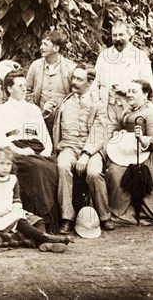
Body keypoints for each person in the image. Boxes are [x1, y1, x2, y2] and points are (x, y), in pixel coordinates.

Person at [105, 79, 153, 225]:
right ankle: (117, 209)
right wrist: (119, 133)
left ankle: (136, 212)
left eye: (134, 92)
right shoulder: (129, 110)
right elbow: (121, 128)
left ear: (145, 94)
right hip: (129, 151)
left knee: (117, 173)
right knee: (112, 171)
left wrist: (142, 139)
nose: (129, 94)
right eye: (128, 91)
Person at [0, 69, 60, 231]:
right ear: (9, 89)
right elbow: (0, 139)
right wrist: (18, 150)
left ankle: (50, 220)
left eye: (25, 85)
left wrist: (47, 150)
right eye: (20, 85)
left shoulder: (33, 109)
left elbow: (45, 137)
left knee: (50, 166)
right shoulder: (1, 110)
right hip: (15, 149)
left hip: (37, 149)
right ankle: (40, 222)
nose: (24, 88)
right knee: (36, 167)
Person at [52, 64, 115, 234]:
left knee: (94, 172)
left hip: (91, 149)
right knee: (63, 166)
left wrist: (86, 154)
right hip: (69, 146)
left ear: (90, 82)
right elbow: (55, 126)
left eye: (79, 79)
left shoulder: (98, 104)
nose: (74, 82)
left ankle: (104, 216)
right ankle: (67, 217)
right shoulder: (65, 102)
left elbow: (99, 131)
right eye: (73, 78)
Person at [0, 148, 70, 252]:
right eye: (1, 163)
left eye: (8, 164)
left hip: (9, 212)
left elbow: (16, 199)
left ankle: (45, 243)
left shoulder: (13, 179)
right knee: (20, 222)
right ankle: (47, 238)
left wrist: (16, 209)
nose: (5, 167)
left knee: (39, 220)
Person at [94, 20, 153, 124]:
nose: (117, 38)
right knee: (99, 138)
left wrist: (127, 90)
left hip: (131, 110)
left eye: (121, 35)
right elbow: (94, 83)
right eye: (114, 35)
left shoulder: (140, 56)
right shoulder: (104, 56)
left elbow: (148, 86)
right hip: (106, 110)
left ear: (129, 35)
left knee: (127, 138)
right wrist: (97, 104)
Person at [26, 30, 76, 135]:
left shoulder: (70, 67)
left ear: (56, 48)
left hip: (64, 119)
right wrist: (38, 110)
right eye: (41, 43)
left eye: (45, 44)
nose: (41, 47)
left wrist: (64, 110)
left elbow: (76, 94)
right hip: (40, 118)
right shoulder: (35, 66)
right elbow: (27, 91)